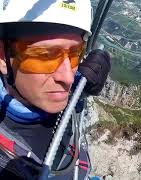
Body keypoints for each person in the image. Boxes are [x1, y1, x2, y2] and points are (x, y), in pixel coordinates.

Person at [0, 0, 110, 179]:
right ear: (3, 58)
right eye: (46, 56)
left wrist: (82, 92)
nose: (68, 78)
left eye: (75, 54)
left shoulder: (56, 98)